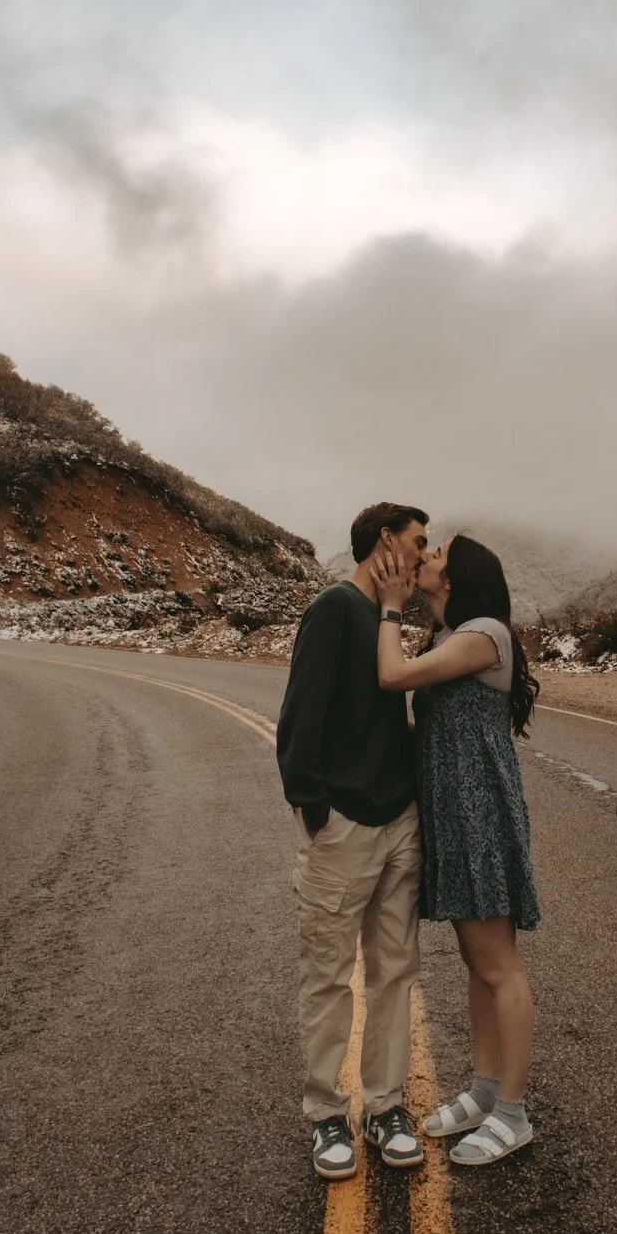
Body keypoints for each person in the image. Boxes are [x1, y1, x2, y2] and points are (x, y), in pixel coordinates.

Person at [370, 533, 541, 1167]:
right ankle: (486, 1090)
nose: (426, 559)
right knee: (476, 959)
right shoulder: (447, 639)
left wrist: (390, 605)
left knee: (498, 964)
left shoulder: (484, 632)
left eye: (437, 553)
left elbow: (391, 676)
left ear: (458, 576)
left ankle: (515, 1113)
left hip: (481, 816)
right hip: (454, 814)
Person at [276, 501, 430, 1181]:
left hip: (400, 820)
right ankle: (326, 1114)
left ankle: (387, 1106)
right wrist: (317, 810)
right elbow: (299, 718)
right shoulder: (336, 609)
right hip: (344, 824)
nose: (424, 555)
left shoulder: (387, 617)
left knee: (395, 971)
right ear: (385, 542)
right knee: (329, 976)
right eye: (417, 542)